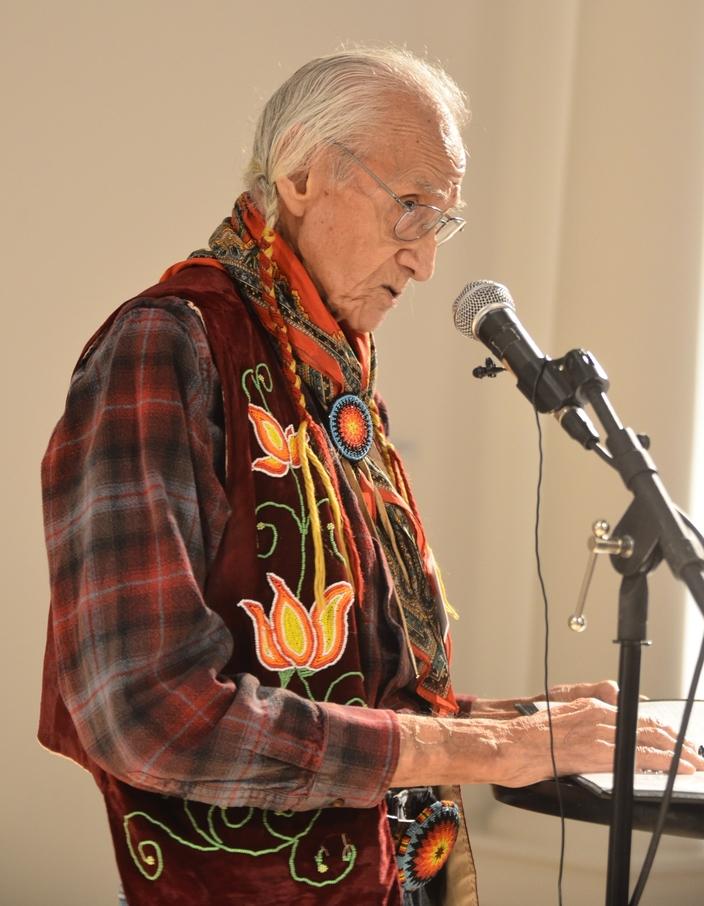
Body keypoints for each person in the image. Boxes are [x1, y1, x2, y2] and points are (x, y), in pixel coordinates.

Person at [38, 47, 703, 906]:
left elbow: (358, 701)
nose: (426, 262)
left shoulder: (325, 368)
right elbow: (149, 716)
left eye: (442, 221)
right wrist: (496, 753)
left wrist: (517, 724)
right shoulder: (165, 347)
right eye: (411, 207)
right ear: (303, 173)